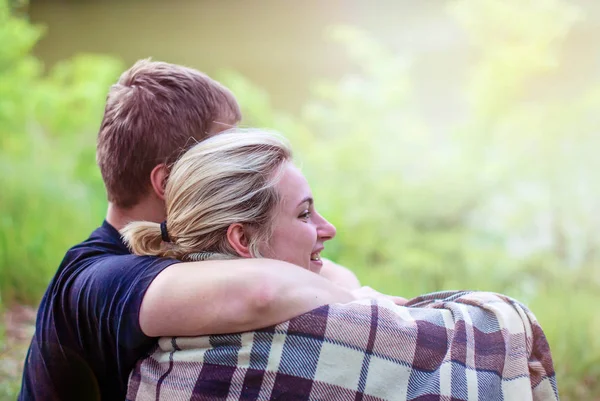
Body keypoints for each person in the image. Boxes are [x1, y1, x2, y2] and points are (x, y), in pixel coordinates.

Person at [18, 59, 367, 401]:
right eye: (223, 154)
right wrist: (363, 305)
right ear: (168, 182)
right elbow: (261, 291)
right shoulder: (103, 279)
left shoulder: (180, 255)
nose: (240, 164)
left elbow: (331, 273)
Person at [122, 129, 559, 401]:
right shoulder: (333, 333)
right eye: (304, 214)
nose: (327, 229)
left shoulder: (159, 352)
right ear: (241, 240)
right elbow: (505, 330)